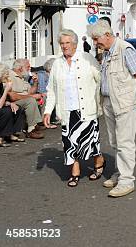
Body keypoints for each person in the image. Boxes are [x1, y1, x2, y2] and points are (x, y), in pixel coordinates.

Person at [88, 20, 136, 198]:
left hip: (124, 102)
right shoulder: (106, 52)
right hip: (109, 101)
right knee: (114, 141)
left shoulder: (125, 49)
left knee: (125, 142)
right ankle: (120, 173)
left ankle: (127, 180)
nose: (95, 42)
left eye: (96, 39)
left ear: (107, 35)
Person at [42, 30, 105, 188]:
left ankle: (99, 162)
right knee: (69, 144)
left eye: (67, 43)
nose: (64, 46)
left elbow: (101, 80)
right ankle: (75, 173)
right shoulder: (57, 63)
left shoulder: (86, 58)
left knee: (91, 142)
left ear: (75, 44)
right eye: (62, 43)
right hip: (67, 111)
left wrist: (101, 102)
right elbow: (51, 89)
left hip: (87, 109)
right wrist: (48, 110)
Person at [7, 59, 44, 139]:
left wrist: (35, 82)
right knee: (31, 100)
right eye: (28, 67)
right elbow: (12, 96)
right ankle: (31, 129)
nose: (30, 68)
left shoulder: (22, 77)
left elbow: (30, 92)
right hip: (13, 102)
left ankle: (37, 123)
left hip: (24, 100)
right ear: (20, 68)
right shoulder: (10, 76)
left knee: (41, 97)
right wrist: (31, 97)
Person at [0, 63, 26, 147]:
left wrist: (11, 103)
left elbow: (2, 101)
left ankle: (10, 134)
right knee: (6, 112)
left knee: (18, 108)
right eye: (6, 73)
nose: (7, 75)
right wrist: (7, 90)